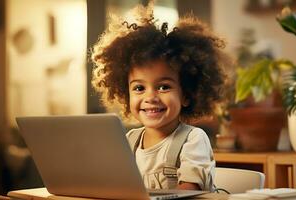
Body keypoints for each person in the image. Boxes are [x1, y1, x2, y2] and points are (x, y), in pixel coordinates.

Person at [91, 3, 228, 192]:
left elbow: (189, 191)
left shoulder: (193, 139)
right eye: (139, 88)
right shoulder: (130, 141)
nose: (150, 97)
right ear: (125, 94)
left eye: (163, 87)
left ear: (186, 95)